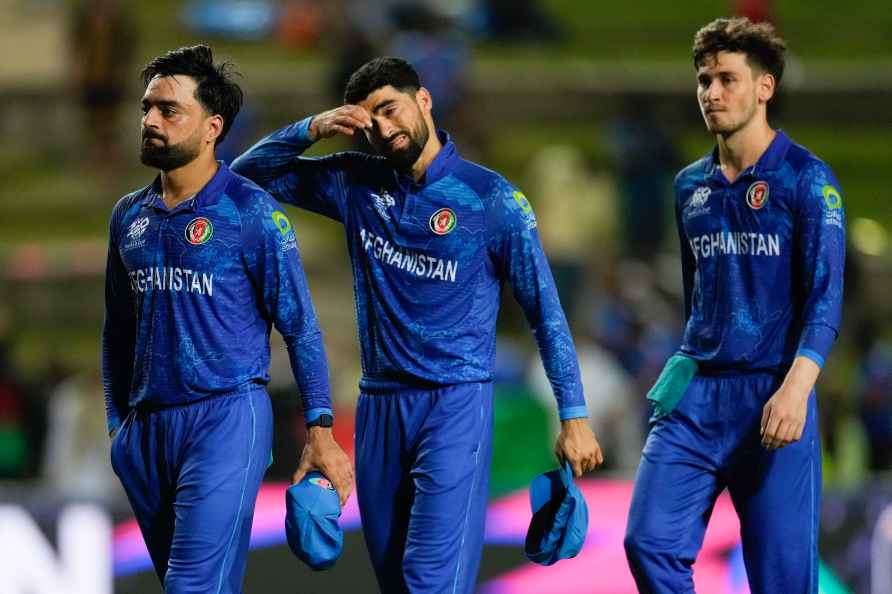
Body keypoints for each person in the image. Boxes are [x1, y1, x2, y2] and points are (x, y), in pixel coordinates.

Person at [232, 56, 602, 593]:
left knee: (430, 581)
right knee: (396, 582)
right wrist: (311, 128)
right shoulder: (356, 184)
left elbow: (545, 312)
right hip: (378, 406)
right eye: (369, 119)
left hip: (454, 405)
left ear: (423, 100)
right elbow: (243, 179)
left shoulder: (491, 199)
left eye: (390, 109)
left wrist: (573, 414)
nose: (383, 128)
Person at [101, 45, 351, 593]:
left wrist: (322, 430)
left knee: (192, 586)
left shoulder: (252, 213)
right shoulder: (128, 217)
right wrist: (118, 425)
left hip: (225, 420)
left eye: (169, 111)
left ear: (212, 127)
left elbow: (301, 327)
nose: (149, 121)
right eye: (147, 108)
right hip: (145, 432)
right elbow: (116, 328)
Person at [623, 18, 845, 593]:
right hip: (695, 398)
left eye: (727, 79)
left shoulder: (806, 179)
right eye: (704, 80)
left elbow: (825, 294)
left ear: (764, 87)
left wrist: (797, 389)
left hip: (774, 392)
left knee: (783, 580)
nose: (711, 93)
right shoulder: (687, 186)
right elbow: (699, 291)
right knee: (647, 542)